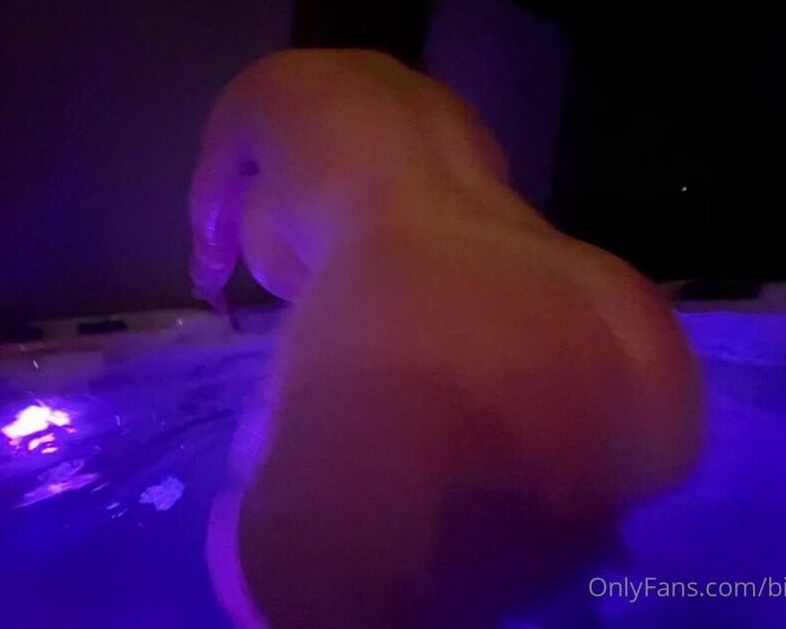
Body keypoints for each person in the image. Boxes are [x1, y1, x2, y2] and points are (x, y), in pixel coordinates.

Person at [194, 48, 701, 627]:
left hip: (433, 312)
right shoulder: (433, 112)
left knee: (282, 578)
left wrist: (207, 274)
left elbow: (212, 215)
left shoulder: (257, 92)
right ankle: (580, 555)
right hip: (620, 308)